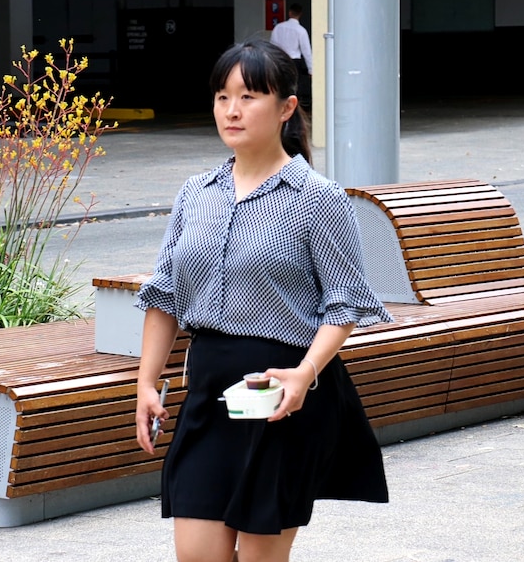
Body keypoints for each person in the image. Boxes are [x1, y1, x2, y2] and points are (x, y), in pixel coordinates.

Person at [133, 39, 393, 562]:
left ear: (286, 108)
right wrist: (146, 381)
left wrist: (305, 374)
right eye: (222, 96)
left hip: (281, 399)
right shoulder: (195, 192)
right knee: (198, 555)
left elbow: (345, 305)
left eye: (250, 96)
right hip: (208, 395)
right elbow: (164, 295)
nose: (232, 110)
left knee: (258, 558)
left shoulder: (319, 198)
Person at [270, 3, 313, 111]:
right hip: (295, 61)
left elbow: (272, 46)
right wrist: (311, 69)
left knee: (281, 85)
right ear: (300, 14)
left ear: (289, 12)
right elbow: (306, 51)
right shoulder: (301, 30)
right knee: (294, 87)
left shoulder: (278, 28)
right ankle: (293, 110)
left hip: (280, 60)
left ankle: (280, 108)